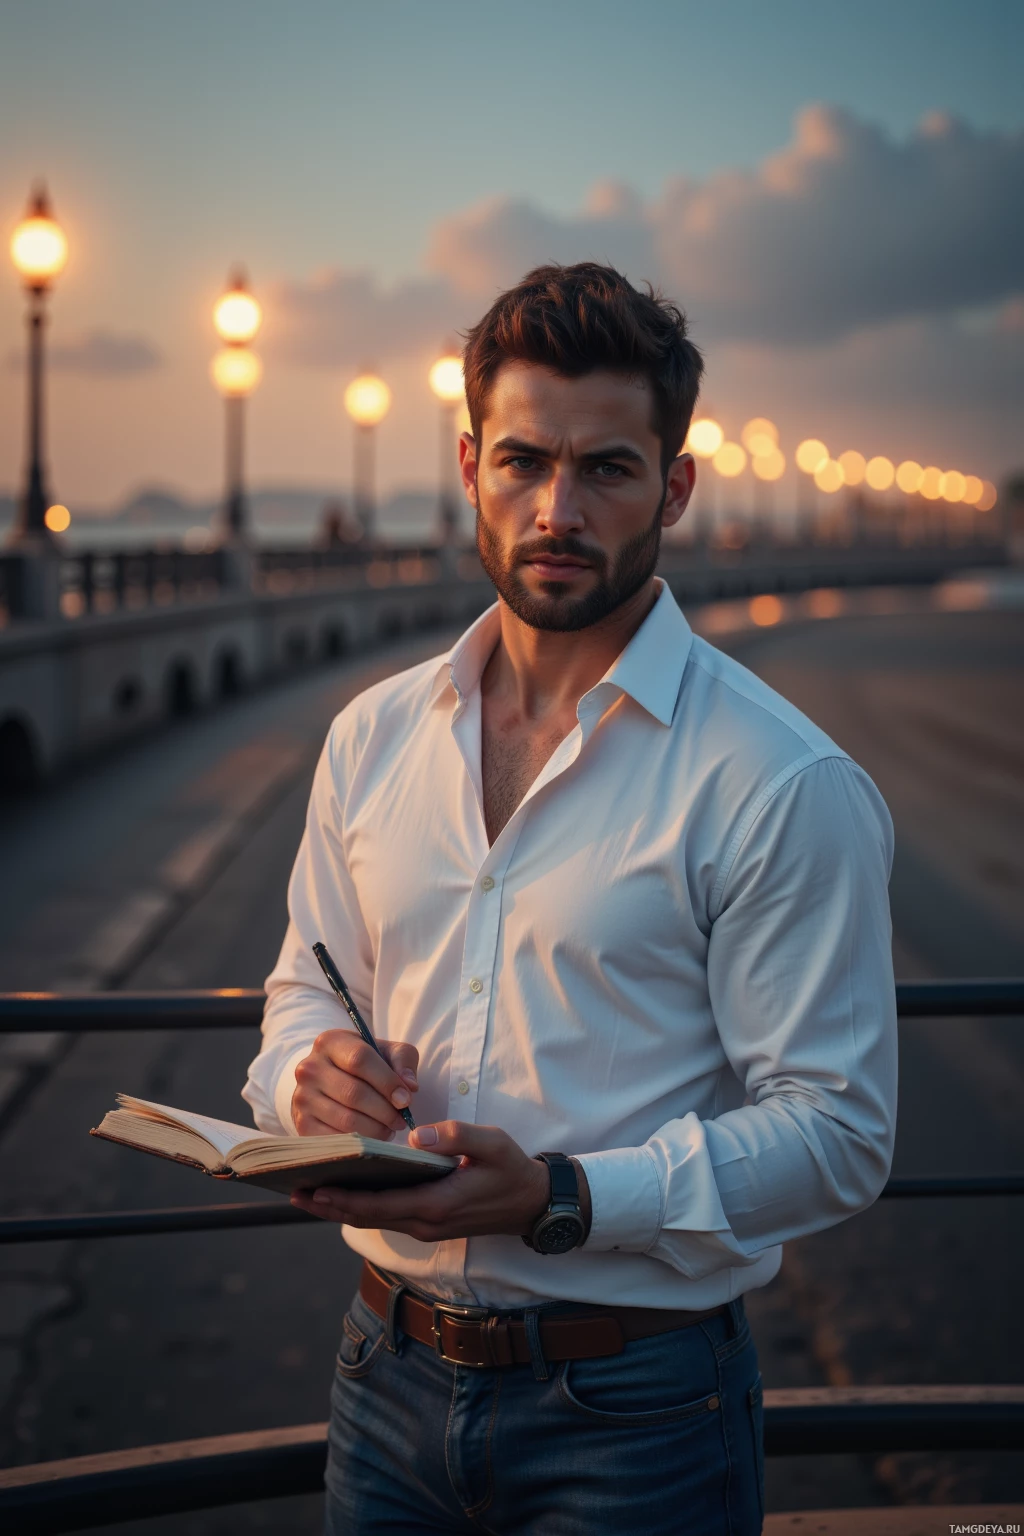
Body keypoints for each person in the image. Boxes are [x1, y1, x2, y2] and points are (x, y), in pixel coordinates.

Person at [243, 262, 897, 1535]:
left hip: (639, 1406)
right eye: (524, 460)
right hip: (381, 1375)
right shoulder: (371, 738)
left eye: (605, 468)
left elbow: (838, 1133)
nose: (557, 507)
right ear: (471, 464)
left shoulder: (778, 780)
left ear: (676, 486)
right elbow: (299, 993)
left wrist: (562, 1196)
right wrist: (300, 1081)